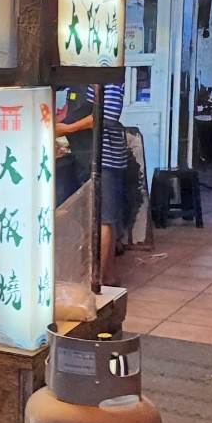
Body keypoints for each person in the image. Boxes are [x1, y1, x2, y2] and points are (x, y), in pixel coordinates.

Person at [55, 83, 127, 287]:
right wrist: (57, 120)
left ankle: (97, 281)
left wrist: (67, 128)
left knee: (104, 220)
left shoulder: (107, 80)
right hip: (85, 157)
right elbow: (70, 112)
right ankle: (107, 275)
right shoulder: (78, 81)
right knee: (99, 218)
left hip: (105, 159)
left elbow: (107, 116)